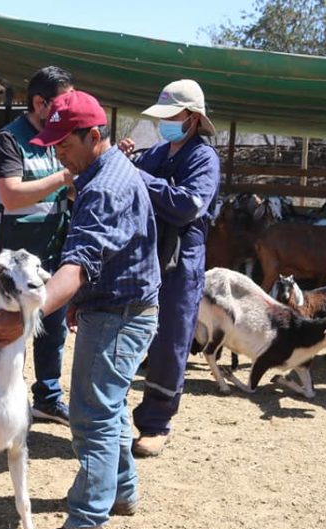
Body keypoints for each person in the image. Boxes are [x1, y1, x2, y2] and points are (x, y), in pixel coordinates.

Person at [0, 90, 161, 529]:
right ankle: (121, 491)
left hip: (119, 314)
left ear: (93, 135)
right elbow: (98, 260)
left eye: (64, 143)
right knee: (109, 404)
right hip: (122, 305)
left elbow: (78, 265)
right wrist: (77, 300)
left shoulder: (105, 185)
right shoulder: (104, 172)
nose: (55, 151)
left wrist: (23, 316)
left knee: (92, 413)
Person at [118, 80, 221, 458]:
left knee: (171, 338)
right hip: (146, 252)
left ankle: (155, 424)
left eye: (172, 117)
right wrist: (123, 161)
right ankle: (114, 414)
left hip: (182, 258)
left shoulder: (203, 159)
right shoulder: (158, 152)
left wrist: (137, 176)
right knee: (131, 327)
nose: (165, 124)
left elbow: (188, 205)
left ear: (192, 119)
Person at [0, 66, 75, 425]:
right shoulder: (9, 139)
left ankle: (48, 398)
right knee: (9, 331)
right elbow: (11, 195)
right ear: (40, 103)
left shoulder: (58, 138)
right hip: (15, 261)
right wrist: (64, 177)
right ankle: (2, 402)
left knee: (52, 330)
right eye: (62, 103)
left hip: (52, 252)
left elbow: (63, 193)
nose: (68, 110)